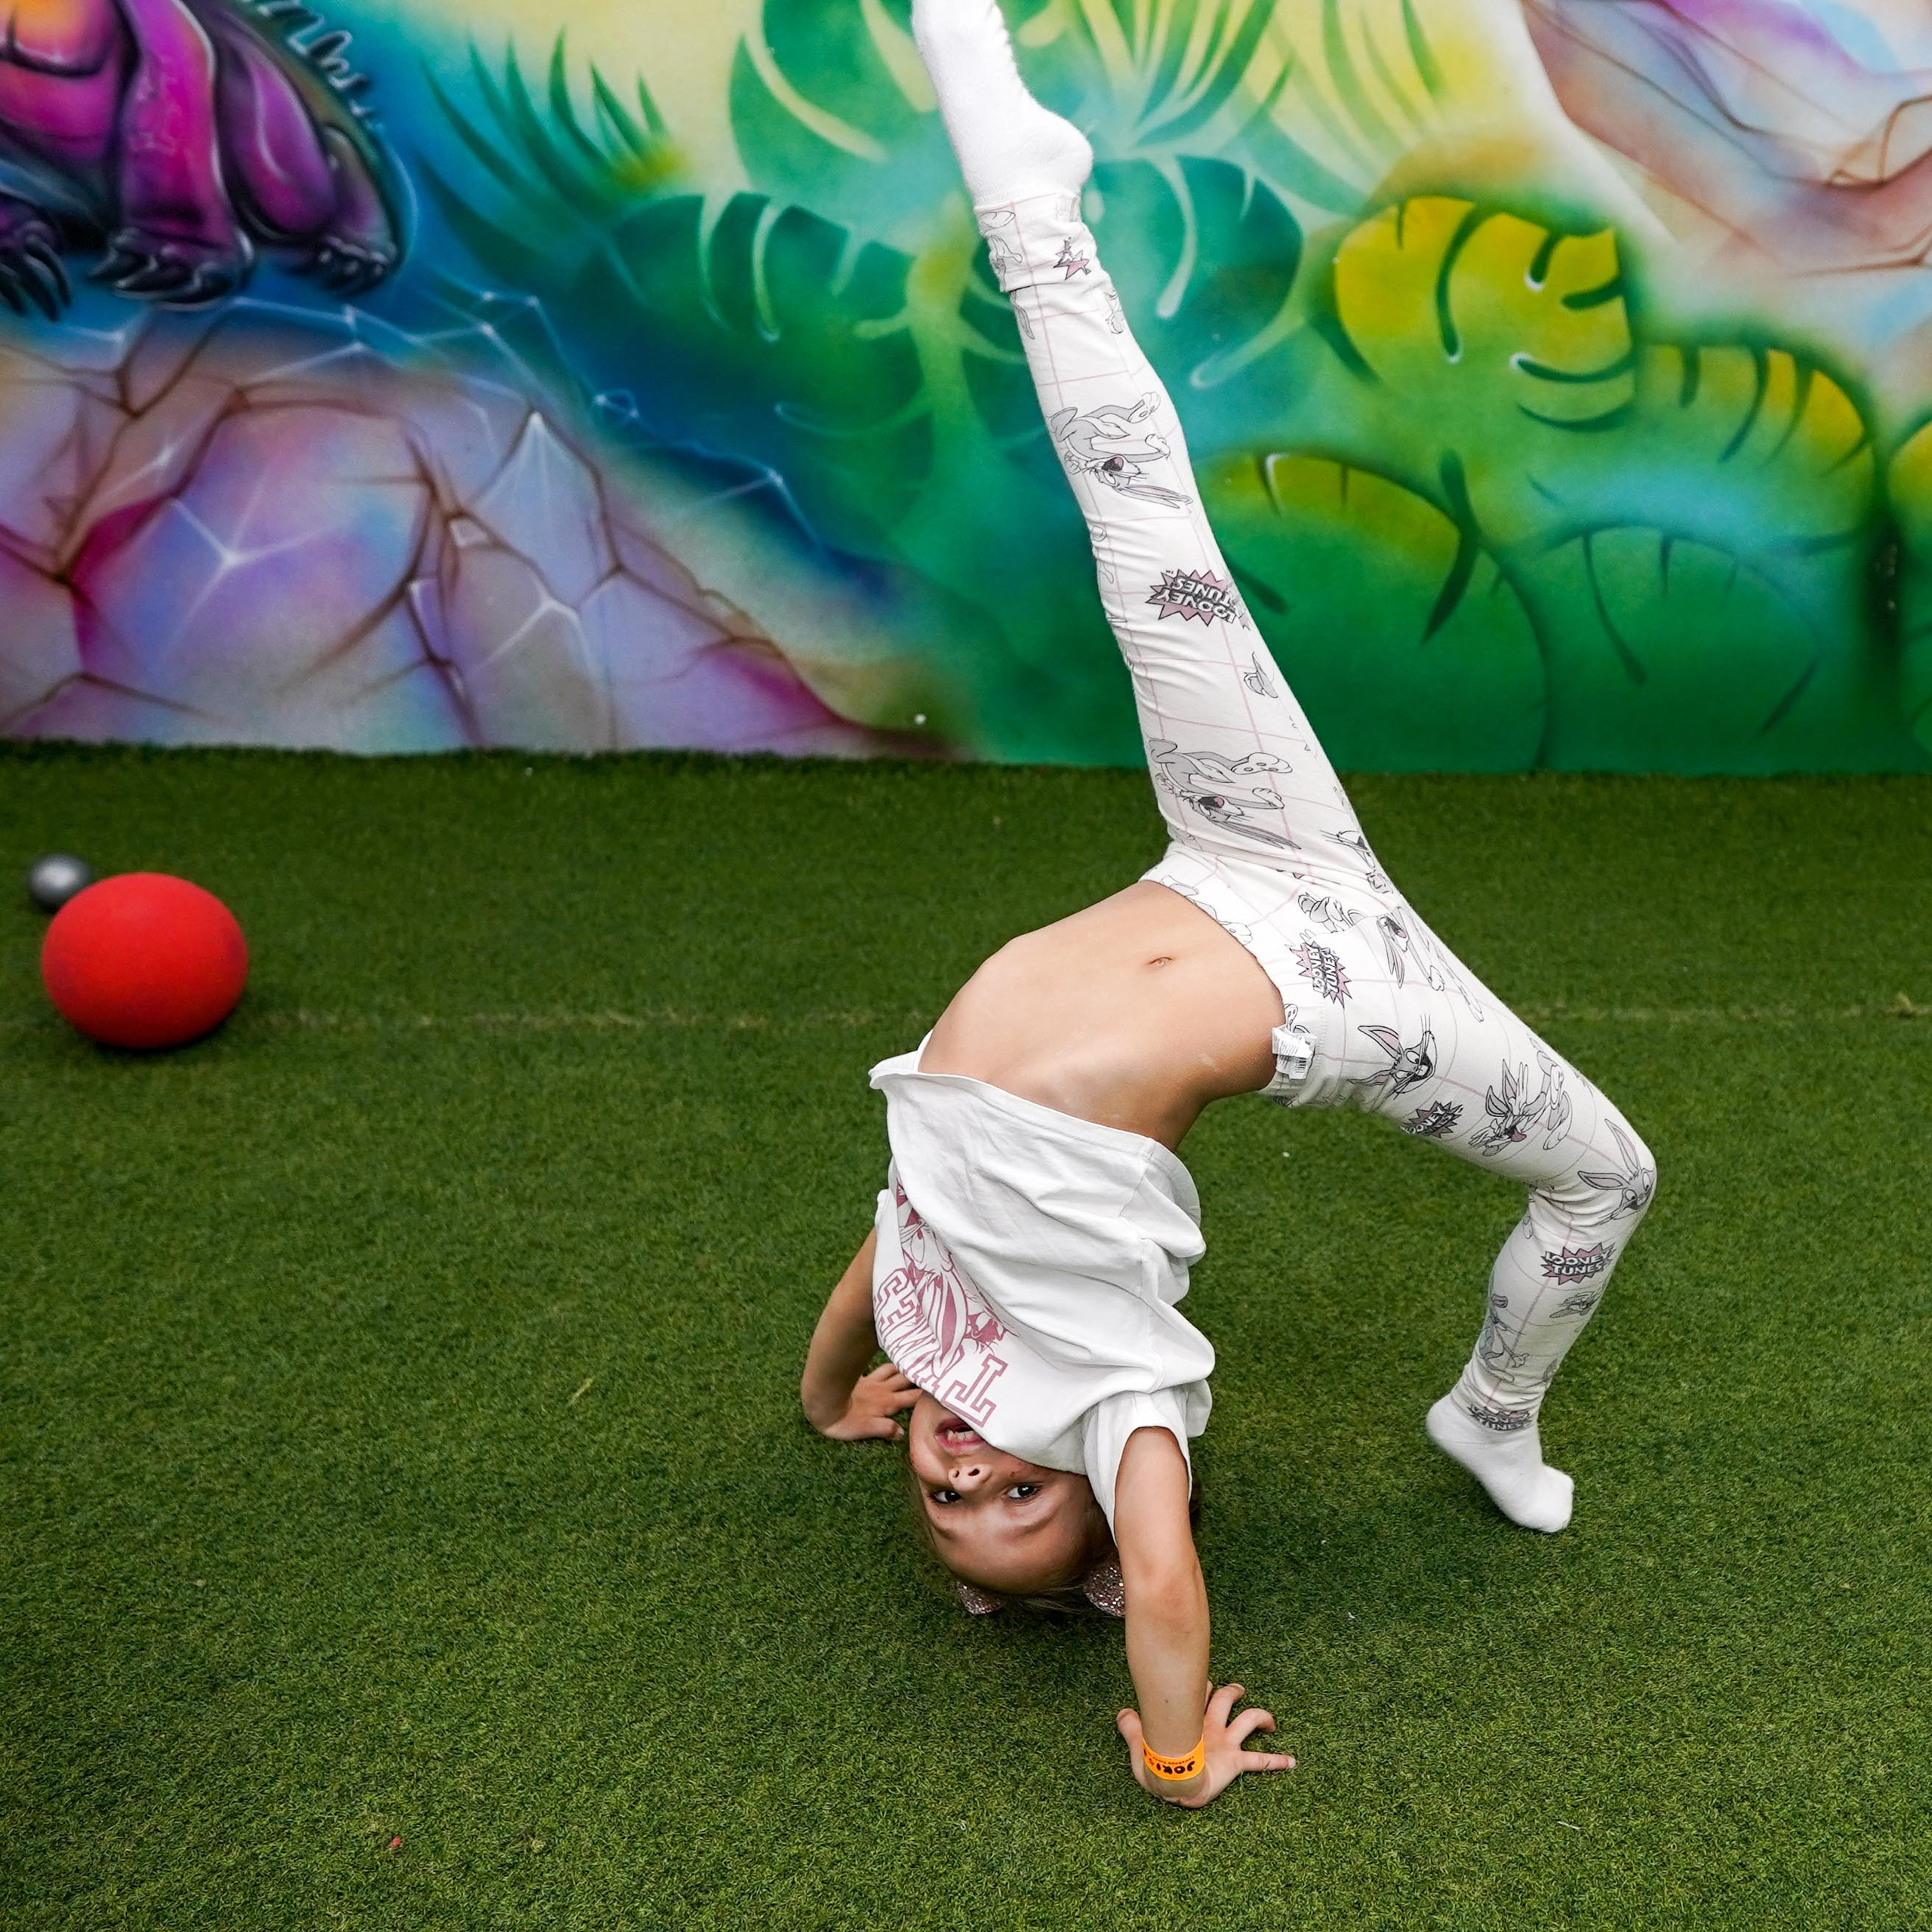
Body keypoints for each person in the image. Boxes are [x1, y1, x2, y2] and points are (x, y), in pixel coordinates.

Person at [798, 0, 1657, 1808]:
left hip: (1230, 853)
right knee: (1604, 1173)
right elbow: (1166, 1581)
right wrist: (1176, 1749)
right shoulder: (1111, 1403)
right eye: (1006, 1499)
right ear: (1092, 1504)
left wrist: (827, 1398)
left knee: (1144, 520)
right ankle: (1484, 1413)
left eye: (939, 1494)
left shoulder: (938, 1329)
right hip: (1337, 994)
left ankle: (1025, 196)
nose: (958, 1466)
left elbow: (875, 1272)